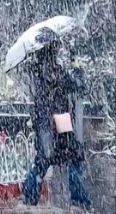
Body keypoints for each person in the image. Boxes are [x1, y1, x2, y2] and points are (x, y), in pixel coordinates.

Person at [21, 31, 91, 208]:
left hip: (54, 124)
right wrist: (76, 73)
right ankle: (79, 199)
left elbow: (72, 87)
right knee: (62, 158)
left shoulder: (40, 71)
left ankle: (30, 195)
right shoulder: (46, 73)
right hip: (54, 125)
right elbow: (74, 87)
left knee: (49, 160)